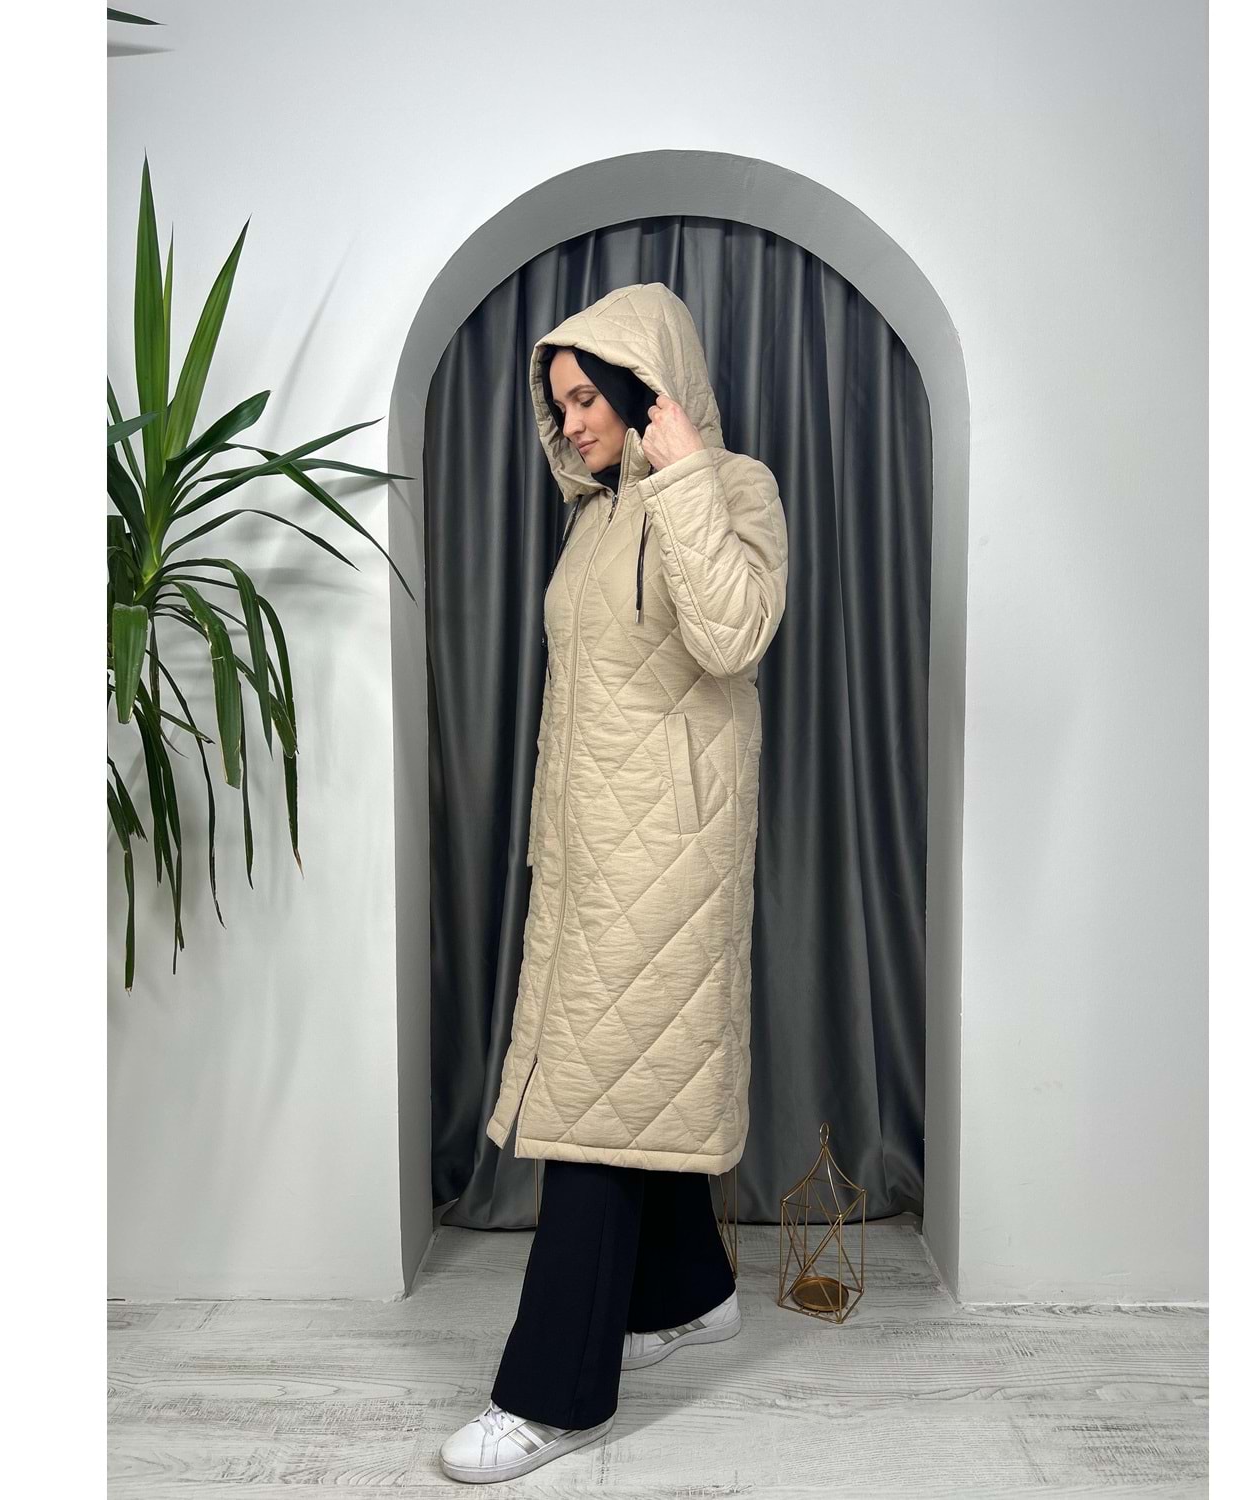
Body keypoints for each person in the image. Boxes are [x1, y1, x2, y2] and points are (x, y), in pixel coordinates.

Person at [440, 282, 789, 1484]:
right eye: (561, 403)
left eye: (590, 396)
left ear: (650, 389)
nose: (572, 422)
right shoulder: (592, 520)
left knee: (593, 1106)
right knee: (631, 1088)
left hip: (671, 863)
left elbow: (734, 635)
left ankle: (552, 1396)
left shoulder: (735, 489)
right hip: (590, 855)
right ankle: (690, 1295)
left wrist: (685, 471)